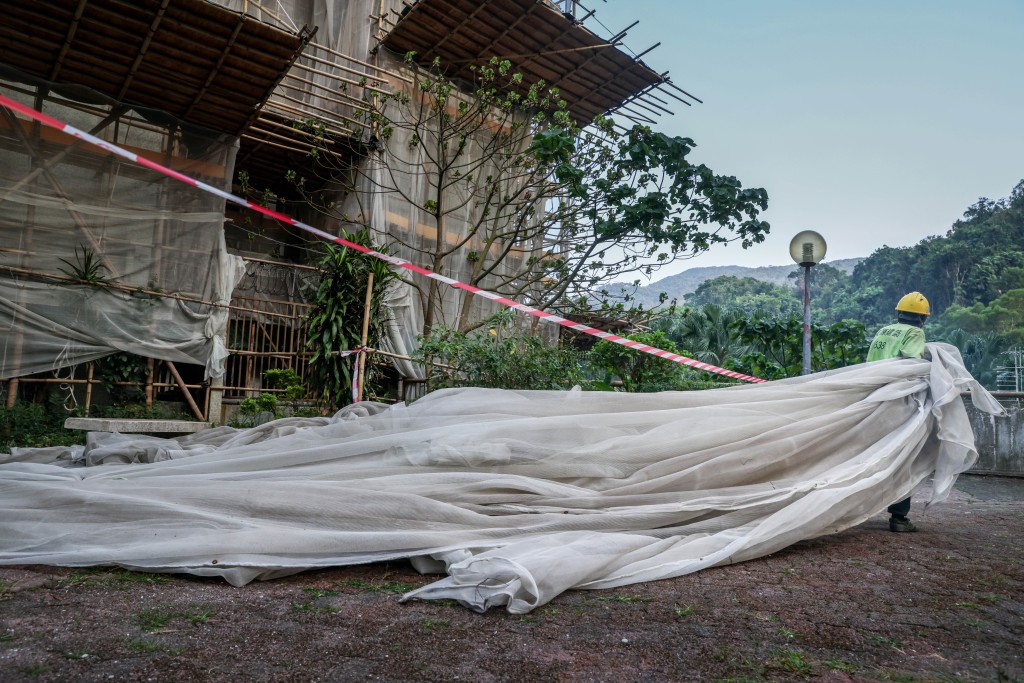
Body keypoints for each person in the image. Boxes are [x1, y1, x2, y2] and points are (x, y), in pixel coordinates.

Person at [866, 291, 931, 532]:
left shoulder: (884, 331)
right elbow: (910, 367)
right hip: (898, 402)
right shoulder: (915, 333)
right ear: (923, 319)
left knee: (874, 455)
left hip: (874, 398)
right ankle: (899, 517)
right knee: (905, 457)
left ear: (899, 313)